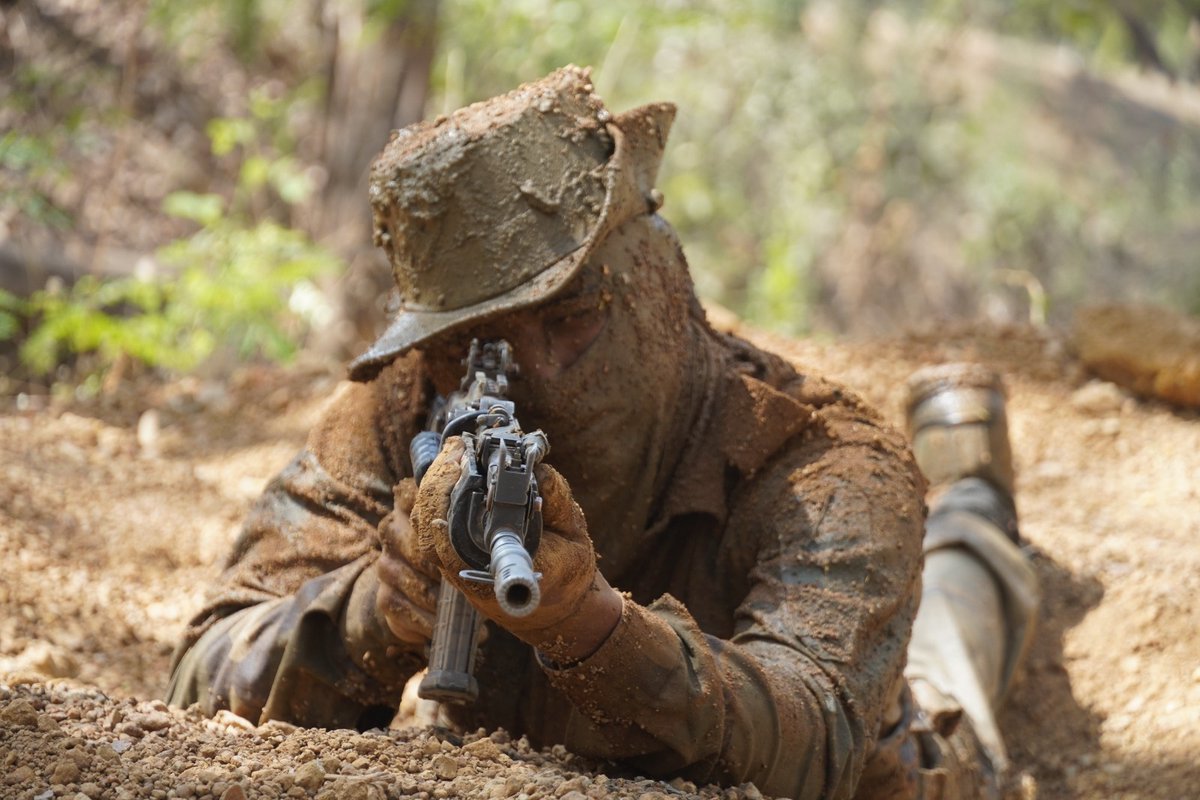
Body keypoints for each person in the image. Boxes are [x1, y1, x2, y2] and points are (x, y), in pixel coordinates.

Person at [167, 66, 1039, 800]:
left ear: (665, 286)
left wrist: (592, 631)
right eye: (475, 346)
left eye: (572, 318)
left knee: (956, 621)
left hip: (883, 762)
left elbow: (814, 736)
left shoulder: (818, 458)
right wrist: (378, 608)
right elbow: (202, 674)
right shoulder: (404, 407)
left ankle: (969, 483)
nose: (533, 374)